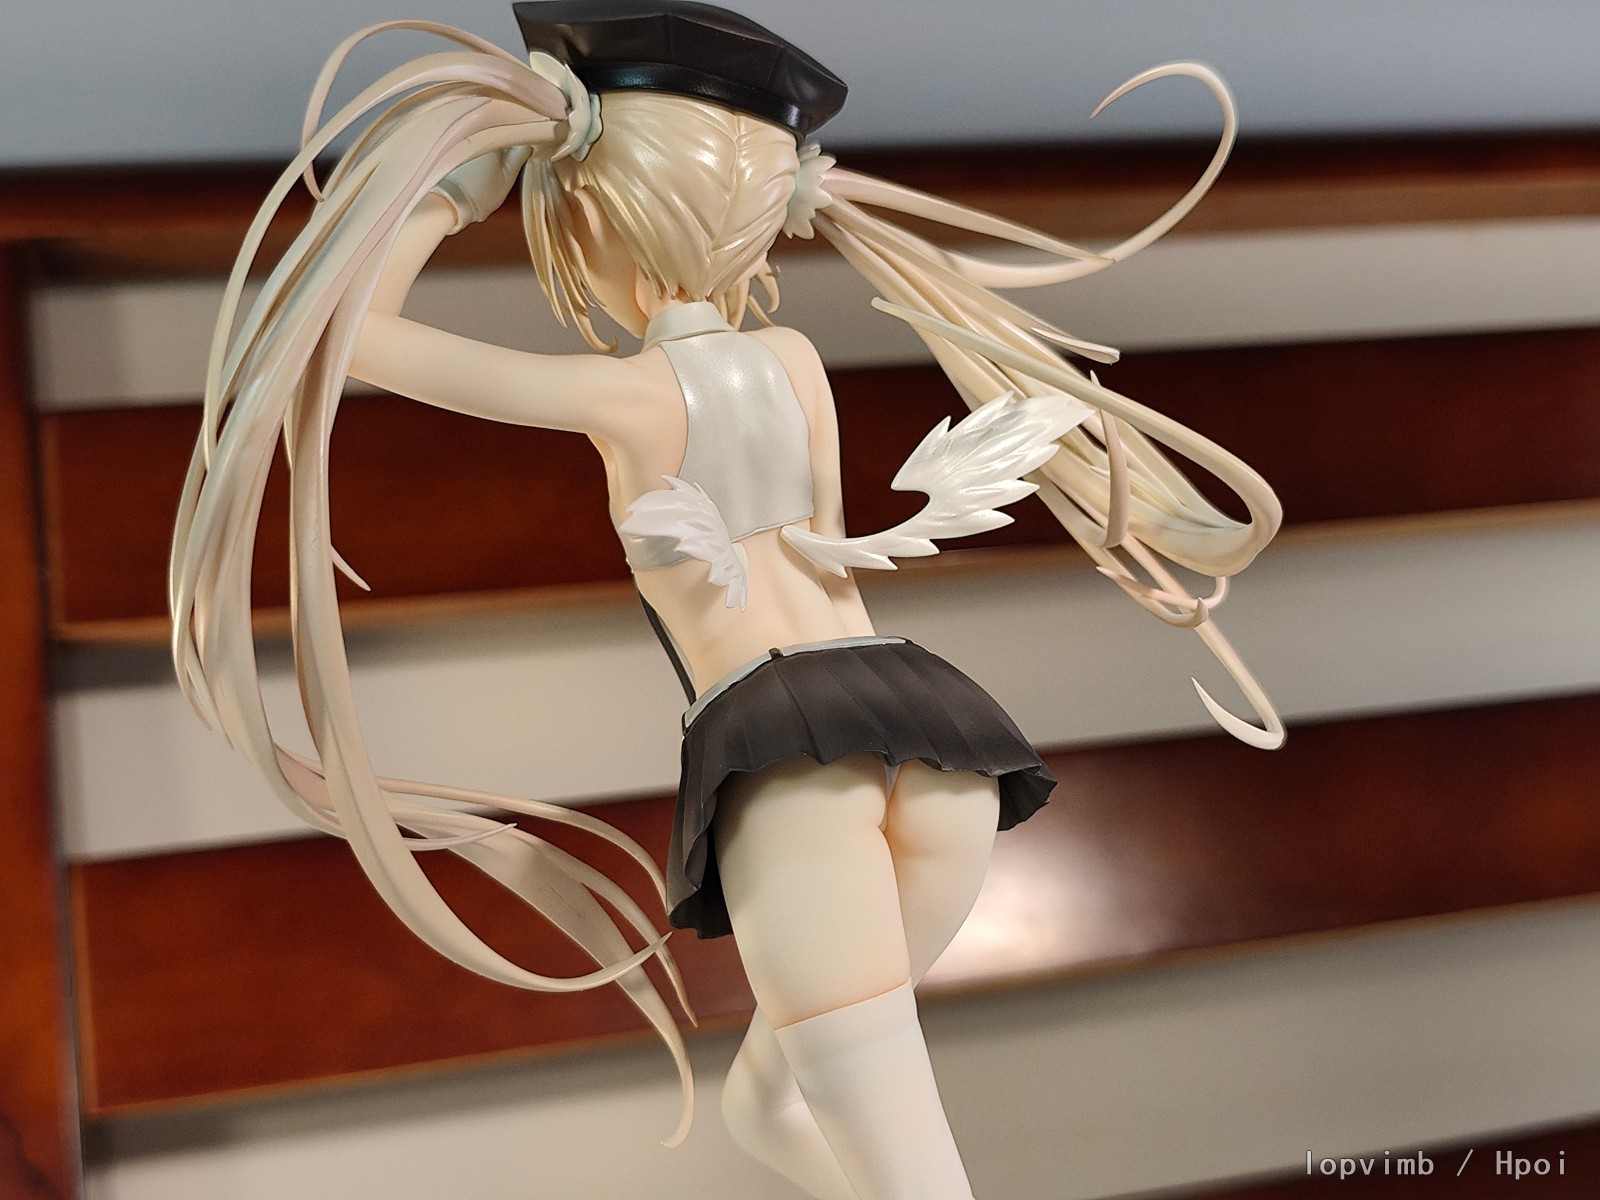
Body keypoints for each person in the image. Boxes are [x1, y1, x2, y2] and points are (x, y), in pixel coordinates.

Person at [170, 5, 1283, 1196]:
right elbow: (821, 548)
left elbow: (353, 337)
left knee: (917, 1175)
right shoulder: (794, 361)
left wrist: (452, 196)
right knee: (777, 1101)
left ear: (599, 221)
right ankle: (776, 1107)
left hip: (787, 759)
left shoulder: (626, 397)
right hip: (934, 730)